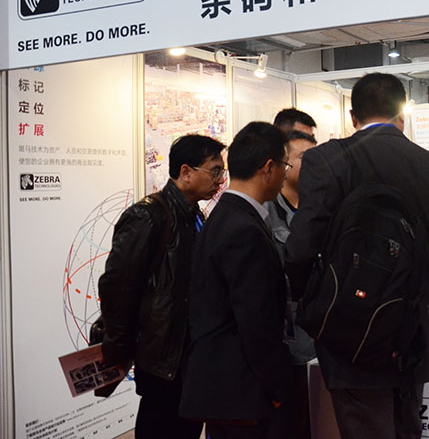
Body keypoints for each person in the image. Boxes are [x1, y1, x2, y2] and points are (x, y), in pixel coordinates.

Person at [285, 73, 429, 439]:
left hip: (349, 332)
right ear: (403, 113)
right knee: (408, 429)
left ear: (352, 116)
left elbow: (301, 249)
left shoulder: (327, 160)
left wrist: (314, 306)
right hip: (413, 332)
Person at [98, 134, 226, 439]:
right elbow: (117, 288)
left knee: (186, 426)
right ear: (186, 172)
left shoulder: (193, 214)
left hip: (187, 355)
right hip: (162, 357)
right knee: (161, 425)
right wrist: (118, 350)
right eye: (214, 171)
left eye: (222, 172)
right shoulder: (149, 215)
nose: (221, 180)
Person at [180, 122, 294, 439]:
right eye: (285, 166)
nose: (285, 175)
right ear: (268, 168)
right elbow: (256, 322)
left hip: (225, 388)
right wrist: (277, 387)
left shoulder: (225, 216)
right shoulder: (244, 229)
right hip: (242, 391)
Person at [265, 129, 317, 439]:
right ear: (284, 164)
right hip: (285, 341)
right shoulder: (266, 211)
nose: (313, 165)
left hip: (320, 338)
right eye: (304, 158)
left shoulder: (320, 207)